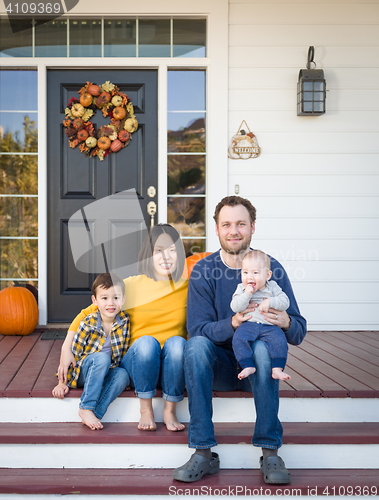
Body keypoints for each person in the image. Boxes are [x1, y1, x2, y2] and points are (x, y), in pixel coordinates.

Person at [173, 196, 307, 484]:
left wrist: (286, 321)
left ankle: (270, 452)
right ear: (217, 229)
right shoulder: (204, 271)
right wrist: (233, 323)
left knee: (261, 349)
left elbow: (299, 332)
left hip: (258, 368)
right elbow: (198, 330)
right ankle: (203, 452)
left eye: (241, 224)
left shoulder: (272, 269)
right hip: (220, 367)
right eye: (227, 224)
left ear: (253, 227)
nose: (234, 231)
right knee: (195, 347)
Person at [57, 224, 188, 432]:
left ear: (180, 254)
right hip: (139, 366)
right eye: (159, 251)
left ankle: (170, 410)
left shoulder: (187, 287)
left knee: (178, 343)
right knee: (146, 342)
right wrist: (66, 349)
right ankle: (146, 409)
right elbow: (86, 314)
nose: (166, 257)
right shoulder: (132, 286)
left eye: (172, 250)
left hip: (171, 369)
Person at [52, 272, 130, 431]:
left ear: (123, 300)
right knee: (101, 358)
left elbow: (122, 353)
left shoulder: (125, 321)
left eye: (116, 298)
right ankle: (86, 406)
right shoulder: (87, 323)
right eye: (104, 298)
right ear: (95, 300)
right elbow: (73, 355)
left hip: (106, 370)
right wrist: (62, 383)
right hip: (83, 371)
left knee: (123, 375)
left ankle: (94, 413)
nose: (111, 303)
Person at [231, 249, 291, 381]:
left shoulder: (273, 287)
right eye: (245, 272)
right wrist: (247, 294)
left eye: (255, 273)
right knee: (238, 339)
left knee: (280, 341)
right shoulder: (241, 288)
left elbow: (285, 302)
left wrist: (271, 301)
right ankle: (247, 365)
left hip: (270, 326)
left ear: (267, 275)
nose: (249, 277)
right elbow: (235, 306)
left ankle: (277, 369)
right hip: (249, 325)